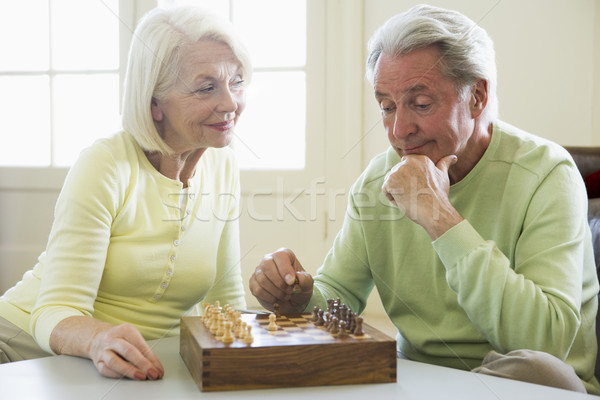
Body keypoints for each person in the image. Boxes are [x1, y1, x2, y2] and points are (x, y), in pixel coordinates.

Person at [249, 4, 600, 394]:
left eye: (420, 104)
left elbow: (545, 343)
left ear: (477, 96)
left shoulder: (549, 174)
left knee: (539, 370)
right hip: (419, 381)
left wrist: (440, 218)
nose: (400, 130)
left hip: (529, 383)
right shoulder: (378, 182)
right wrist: (298, 296)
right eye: (386, 107)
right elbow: (338, 295)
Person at [0, 6, 250, 381]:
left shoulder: (224, 166)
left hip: (128, 371)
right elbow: (54, 310)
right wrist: (99, 338)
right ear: (154, 102)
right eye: (207, 87)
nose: (230, 103)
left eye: (237, 82)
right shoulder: (105, 165)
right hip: (23, 350)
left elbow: (225, 302)